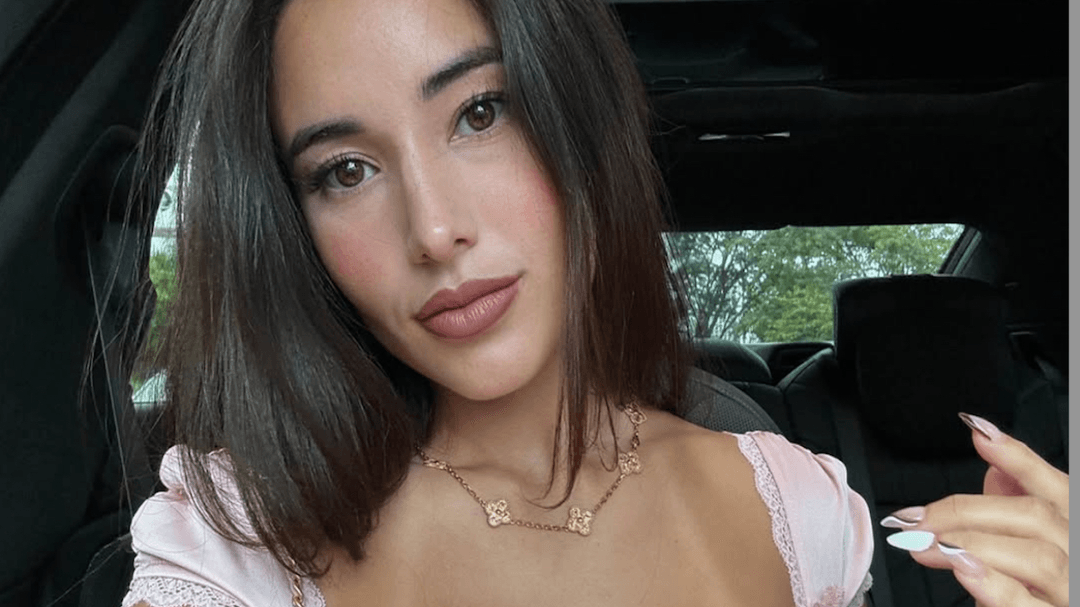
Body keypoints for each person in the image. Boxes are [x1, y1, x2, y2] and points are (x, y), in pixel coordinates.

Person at [121, 0, 1069, 605]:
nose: (435, 229)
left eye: (480, 112)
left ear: (577, 120)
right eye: (346, 170)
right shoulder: (233, 542)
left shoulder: (797, 503)